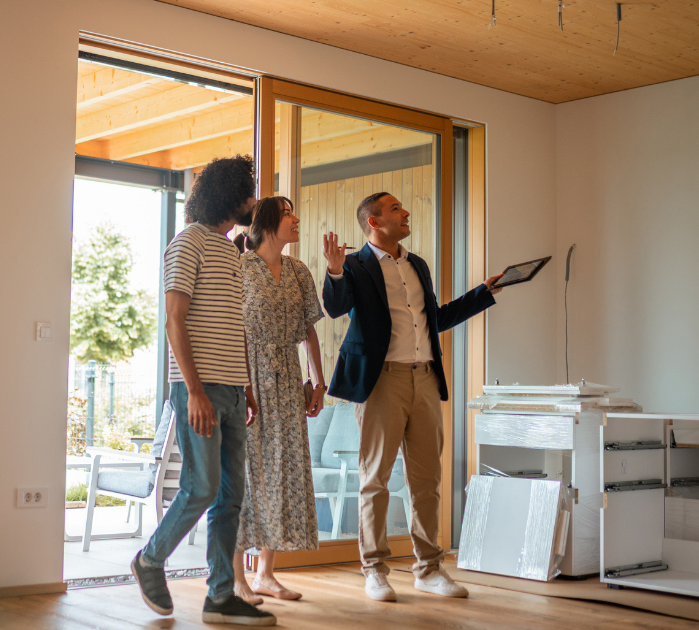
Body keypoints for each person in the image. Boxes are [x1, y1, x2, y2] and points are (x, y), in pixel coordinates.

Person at [321, 192, 503, 602]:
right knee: (376, 481)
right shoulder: (354, 265)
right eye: (396, 209)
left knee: (427, 481)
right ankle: (374, 571)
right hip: (381, 381)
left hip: (424, 379)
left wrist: (481, 293)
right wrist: (333, 271)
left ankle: (429, 569)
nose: (405, 213)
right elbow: (335, 308)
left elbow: (434, 319)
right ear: (374, 222)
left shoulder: (416, 263)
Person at [130, 155, 276, 627]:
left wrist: (247, 386)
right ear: (225, 195)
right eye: (246, 192)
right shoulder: (187, 242)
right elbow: (175, 320)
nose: (252, 201)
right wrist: (193, 391)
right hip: (201, 389)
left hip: (234, 389)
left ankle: (220, 596)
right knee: (202, 486)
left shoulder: (232, 253)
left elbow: (233, 327)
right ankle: (151, 560)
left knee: (232, 496)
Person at [230, 196, 325, 604]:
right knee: (247, 476)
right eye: (288, 214)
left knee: (283, 472)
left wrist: (318, 381)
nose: (297, 219)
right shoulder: (240, 267)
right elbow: (235, 331)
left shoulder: (300, 270)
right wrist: (245, 384)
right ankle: (236, 578)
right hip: (248, 378)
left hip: (288, 379)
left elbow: (309, 330)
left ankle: (266, 573)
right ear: (268, 222)